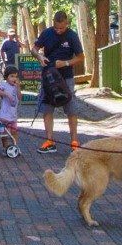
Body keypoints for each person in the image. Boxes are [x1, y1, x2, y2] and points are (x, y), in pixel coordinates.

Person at [35, 10, 84, 153]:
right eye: (56, 28)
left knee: (71, 108)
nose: (58, 30)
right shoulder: (46, 33)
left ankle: (74, 141)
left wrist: (66, 63)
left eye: (61, 28)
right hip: (48, 76)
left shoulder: (72, 36)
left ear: (66, 23)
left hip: (66, 77)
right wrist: (39, 57)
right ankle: (50, 141)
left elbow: (81, 57)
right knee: (47, 108)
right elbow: (34, 49)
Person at [0, 64, 22, 154]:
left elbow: (19, 97)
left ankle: (15, 146)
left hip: (13, 115)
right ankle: (5, 147)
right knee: (4, 133)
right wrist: (6, 94)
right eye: (12, 76)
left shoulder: (16, 86)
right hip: (4, 115)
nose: (14, 79)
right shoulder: (4, 84)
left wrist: (18, 87)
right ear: (6, 77)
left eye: (16, 77)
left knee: (14, 131)